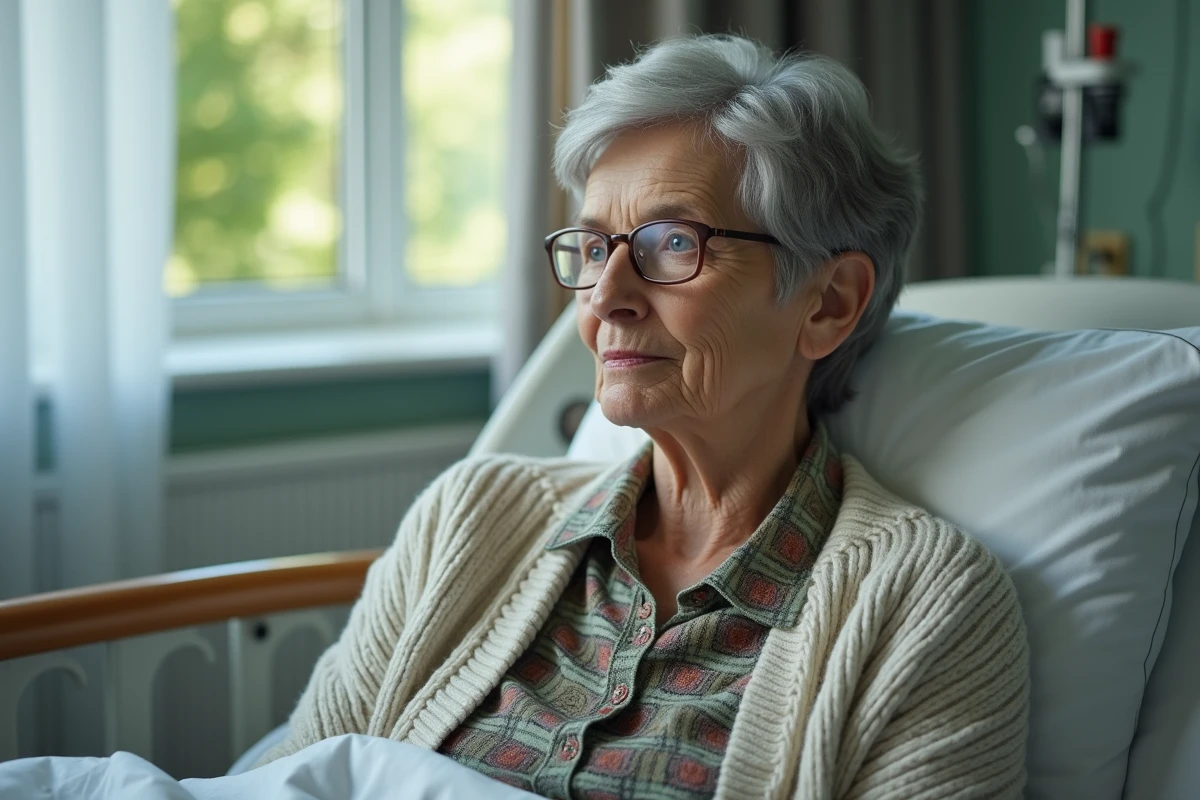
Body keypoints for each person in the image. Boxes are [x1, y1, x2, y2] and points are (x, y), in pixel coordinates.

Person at [262, 34, 1029, 798]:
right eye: (594, 247)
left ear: (828, 304)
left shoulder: (921, 603)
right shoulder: (468, 519)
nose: (604, 298)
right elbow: (292, 780)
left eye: (672, 243)